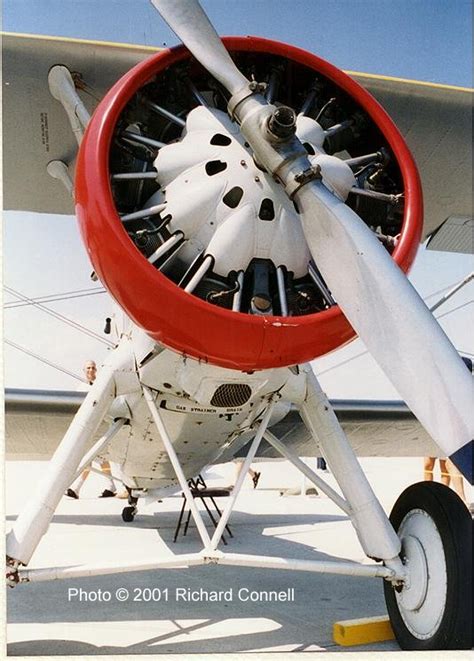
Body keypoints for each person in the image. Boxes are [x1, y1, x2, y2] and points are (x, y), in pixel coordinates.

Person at [65, 360, 117, 499]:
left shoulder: (102, 386)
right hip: (88, 427)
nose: (91, 370)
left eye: (93, 368)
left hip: (101, 425)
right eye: (88, 368)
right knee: (97, 458)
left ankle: (77, 488)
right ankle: (110, 486)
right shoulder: (81, 388)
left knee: (94, 457)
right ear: (84, 370)